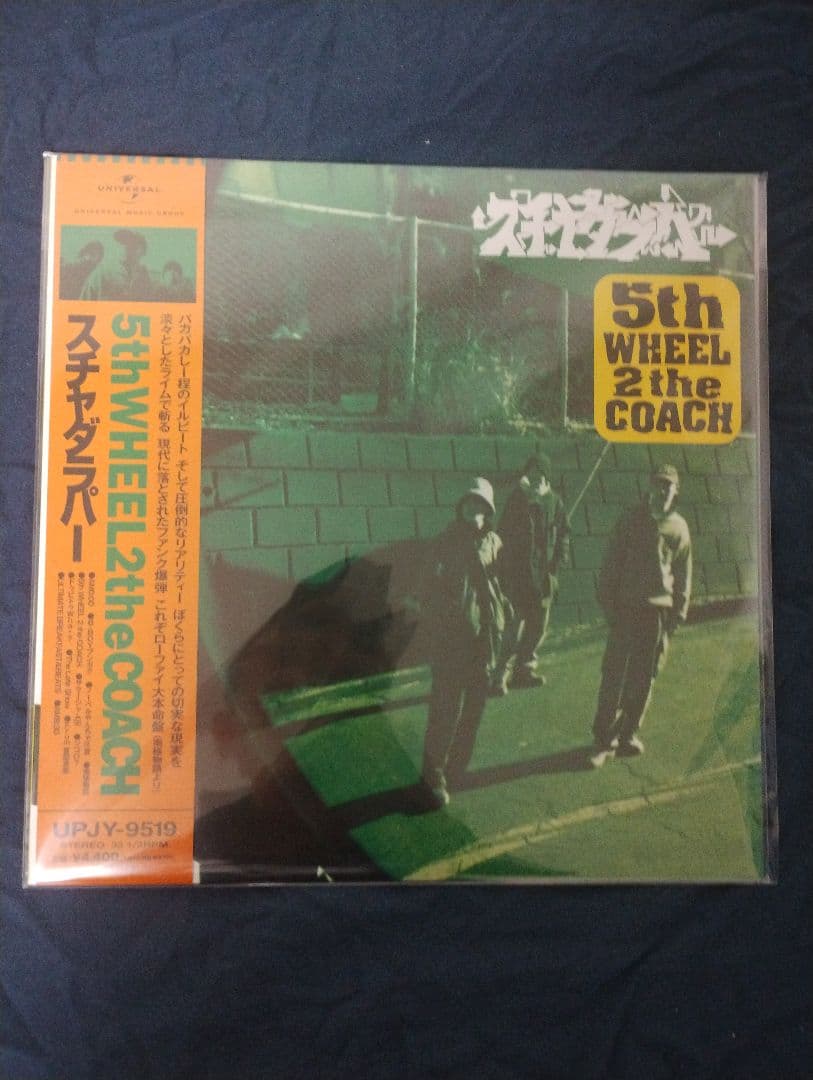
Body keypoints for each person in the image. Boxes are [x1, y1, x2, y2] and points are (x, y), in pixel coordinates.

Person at [590, 464, 692, 767]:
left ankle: (628, 734)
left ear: (675, 491)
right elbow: (612, 562)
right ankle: (603, 741)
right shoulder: (631, 520)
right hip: (626, 608)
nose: (662, 490)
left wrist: (678, 613)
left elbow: (683, 573)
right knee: (614, 674)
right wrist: (608, 602)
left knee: (644, 676)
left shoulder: (679, 528)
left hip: (657, 612)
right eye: (658, 484)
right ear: (649, 487)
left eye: (668, 486)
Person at [419, 477, 509, 806]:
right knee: (445, 711)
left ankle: (456, 771)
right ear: (461, 507)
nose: (474, 508)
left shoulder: (494, 543)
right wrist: (446, 618)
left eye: (480, 504)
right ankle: (432, 777)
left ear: (489, 510)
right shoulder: (444, 543)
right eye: (470, 502)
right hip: (452, 642)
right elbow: (427, 590)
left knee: (474, 710)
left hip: (485, 642)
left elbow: (501, 585)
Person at [492, 454, 570, 692]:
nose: (535, 480)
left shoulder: (555, 502)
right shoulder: (517, 500)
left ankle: (523, 670)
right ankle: (499, 675)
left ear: (546, 478)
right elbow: (502, 534)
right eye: (531, 475)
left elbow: (564, 534)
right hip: (518, 578)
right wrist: (505, 570)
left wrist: (557, 563)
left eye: (540, 476)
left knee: (537, 628)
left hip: (544, 579)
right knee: (512, 630)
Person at [80, 228, 151, 301]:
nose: (125, 247)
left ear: (141, 250)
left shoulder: (144, 277)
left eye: (130, 243)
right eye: (122, 242)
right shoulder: (102, 274)